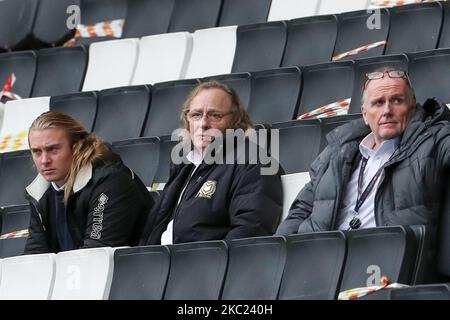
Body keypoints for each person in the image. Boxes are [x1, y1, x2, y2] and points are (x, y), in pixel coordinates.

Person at [277, 67, 450, 241]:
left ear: (412, 107)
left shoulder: (434, 139)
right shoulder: (336, 152)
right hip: (322, 258)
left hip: (387, 259)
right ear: (365, 115)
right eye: (378, 103)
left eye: (397, 101)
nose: (387, 110)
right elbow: (300, 211)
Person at [140, 81, 283, 245]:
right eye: (196, 115)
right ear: (187, 121)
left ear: (236, 122)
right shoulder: (185, 166)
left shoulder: (253, 162)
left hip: (201, 266)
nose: (203, 124)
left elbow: (250, 231)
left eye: (215, 115)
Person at [24, 111, 153, 254]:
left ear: (77, 147)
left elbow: (96, 254)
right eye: (36, 151)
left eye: (53, 149)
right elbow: (34, 255)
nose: (44, 160)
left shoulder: (111, 182)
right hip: (76, 272)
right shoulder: (40, 192)